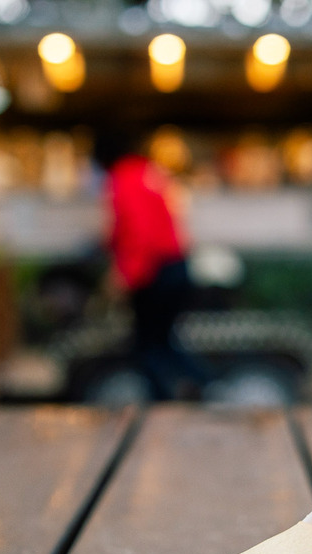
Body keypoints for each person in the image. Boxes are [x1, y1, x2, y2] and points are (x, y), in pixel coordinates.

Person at [94, 130, 208, 399]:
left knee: (147, 344)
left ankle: (163, 402)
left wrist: (124, 276)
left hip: (154, 271)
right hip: (176, 265)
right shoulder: (149, 172)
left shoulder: (124, 176)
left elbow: (137, 232)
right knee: (163, 340)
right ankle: (206, 386)